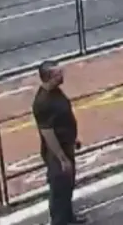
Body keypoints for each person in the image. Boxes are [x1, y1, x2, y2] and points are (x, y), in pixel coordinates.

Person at [31, 60, 84, 224]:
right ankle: (60, 221)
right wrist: (62, 158)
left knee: (67, 186)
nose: (62, 76)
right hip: (56, 152)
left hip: (66, 145)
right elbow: (48, 134)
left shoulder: (55, 92)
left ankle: (69, 218)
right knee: (59, 189)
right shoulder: (42, 103)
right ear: (48, 77)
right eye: (58, 74)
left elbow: (63, 121)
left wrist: (72, 139)